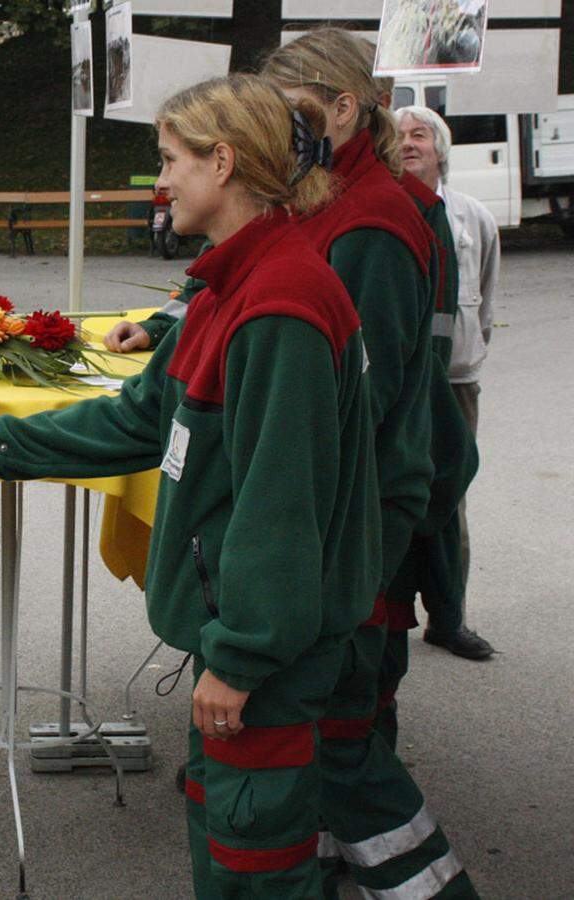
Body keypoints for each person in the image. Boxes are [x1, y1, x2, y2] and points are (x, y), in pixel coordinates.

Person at [0, 73, 382, 897]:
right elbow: (138, 419)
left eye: (170, 159)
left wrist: (242, 657)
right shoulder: (229, 289)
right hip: (242, 637)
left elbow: (279, 507)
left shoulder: (279, 305)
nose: (160, 181)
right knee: (228, 836)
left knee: (255, 862)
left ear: (222, 163)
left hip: (267, 654)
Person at [264, 27, 478, 897]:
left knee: (343, 735)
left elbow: (370, 393)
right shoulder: (328, 199)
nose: (275, 130)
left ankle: (426, 881)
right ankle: (329, 857)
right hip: (357, 507)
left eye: (290, 111)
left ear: (343, 109)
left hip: (366, 510)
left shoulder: (377, 219)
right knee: (347, 718)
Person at [397, 104, 499, 661]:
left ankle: (449, 617)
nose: (409, 143)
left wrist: (469, 356)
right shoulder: (385, 213)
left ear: (441, 149)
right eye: (400, 136)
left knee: (449, 498)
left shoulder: (472, 215)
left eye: (420, 135)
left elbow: (483, 296)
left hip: (454, 382)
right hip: (400, 378)